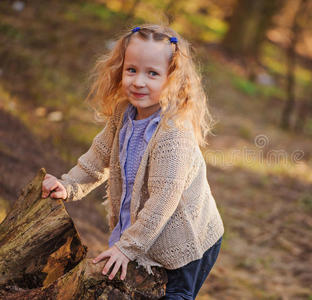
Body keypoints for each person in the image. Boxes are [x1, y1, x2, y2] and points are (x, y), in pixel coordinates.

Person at [41, 24, 224, 299]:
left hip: (187, 242)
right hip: (145, 236)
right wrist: (68, 185)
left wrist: (128, 247)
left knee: (174, 295)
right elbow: (97, 159)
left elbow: (164, 198)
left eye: (152, 73)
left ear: (172, 79)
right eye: (132, 70)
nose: (139, 81)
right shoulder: (124, 115)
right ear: (120, 69)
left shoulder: (173, 132)